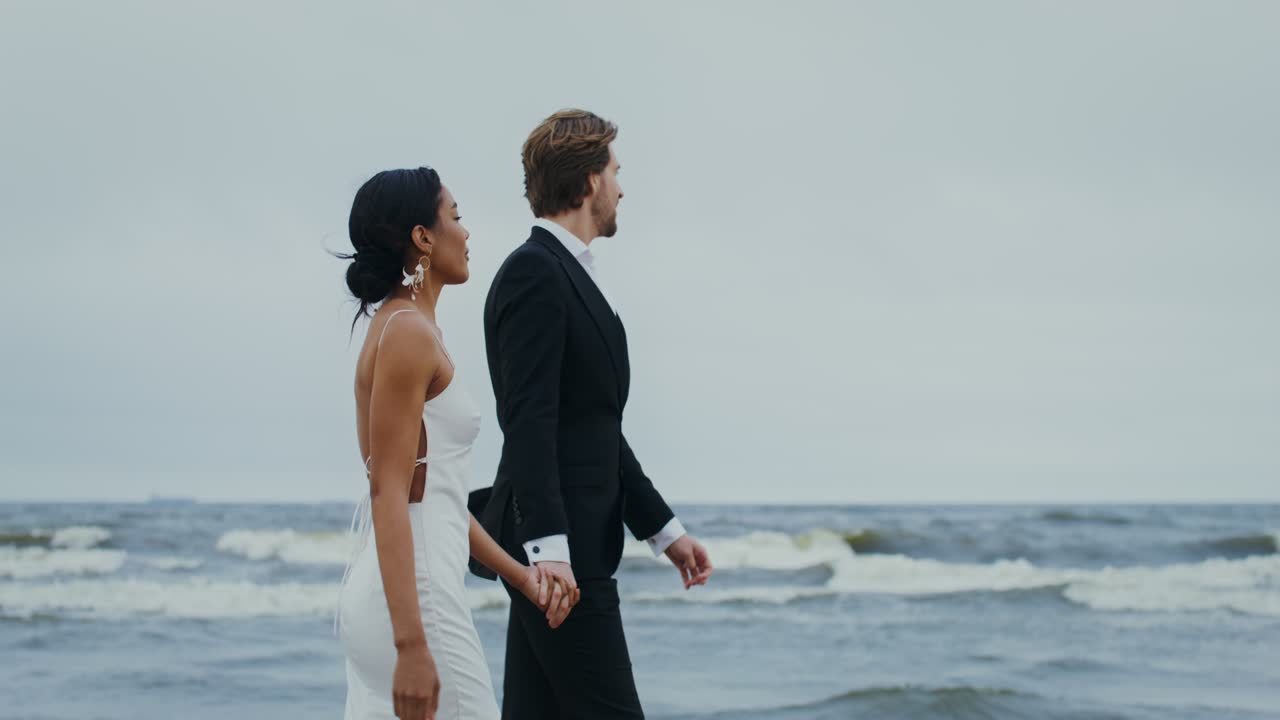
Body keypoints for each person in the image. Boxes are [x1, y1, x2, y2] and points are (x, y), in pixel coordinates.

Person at [470, 110, 714, 719]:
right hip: (563, 555)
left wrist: (665, 532)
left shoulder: (569, 274)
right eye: (616, 172)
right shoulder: (535, 272)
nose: (622, 189)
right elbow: (528, 420)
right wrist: (548, 550)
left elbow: (595, 426)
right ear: (589, 182)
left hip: (571, 545)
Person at [335, 167, 578, 720]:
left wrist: (521, 576)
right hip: (417, 603)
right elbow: (388, 493)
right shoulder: (407, 334)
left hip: (399, 593)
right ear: (423, 237)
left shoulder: (404, 328)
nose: (466, 233)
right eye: (456, 217)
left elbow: (437, 496)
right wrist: (410, 645)